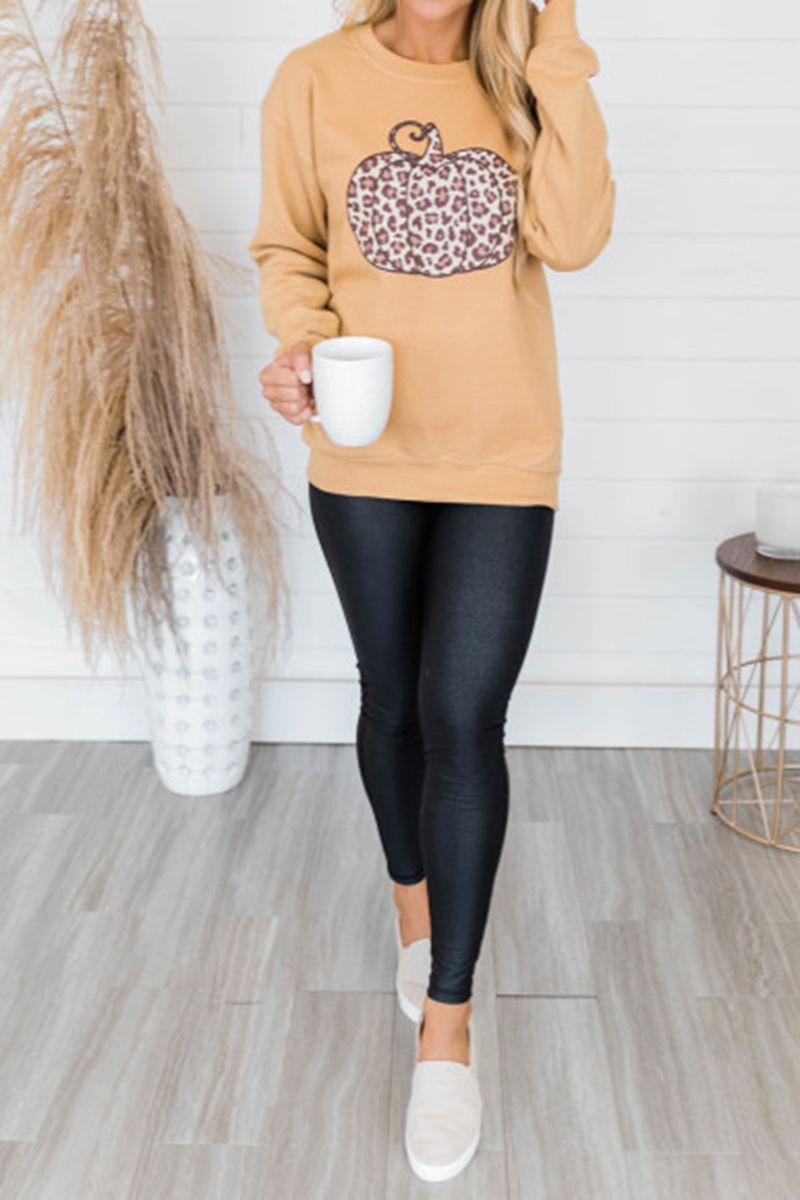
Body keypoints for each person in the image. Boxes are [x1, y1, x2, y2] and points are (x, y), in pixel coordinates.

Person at [248, 0, 615, 1182]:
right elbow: (286, 247)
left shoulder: (525, 77)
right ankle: (412, 912)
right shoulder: (311, 78)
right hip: (363, 456)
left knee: (464, 719)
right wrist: (298, 346)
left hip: (502, 453)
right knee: (392, 702)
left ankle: (445, 1031)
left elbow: (573, 238)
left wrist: (557, 42)